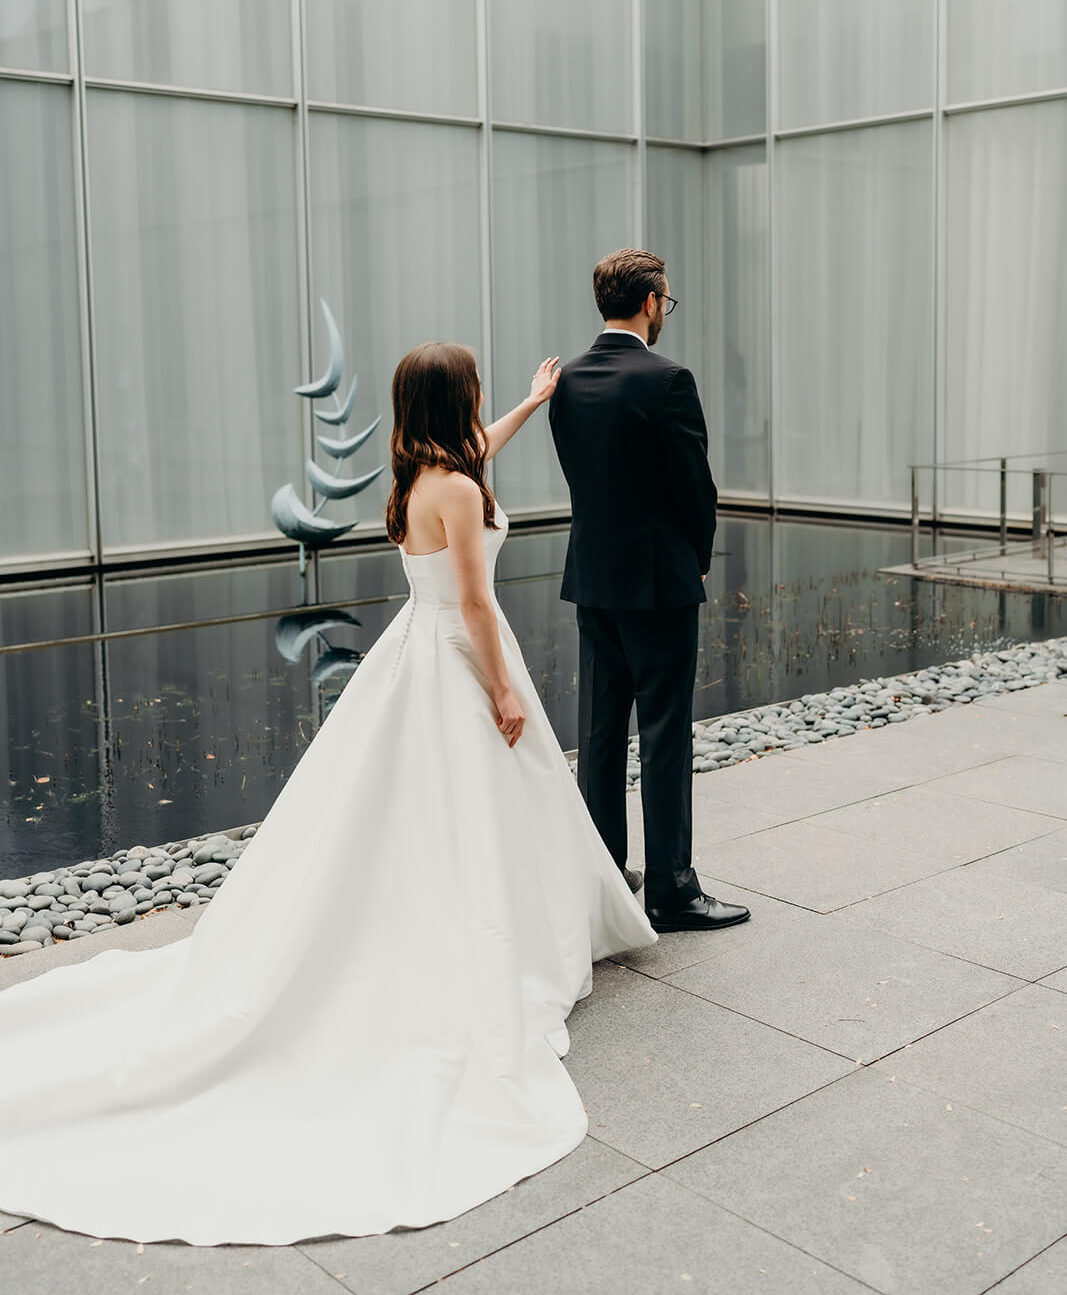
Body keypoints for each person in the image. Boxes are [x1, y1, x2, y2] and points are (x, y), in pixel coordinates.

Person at [0, 343, 655, 1247]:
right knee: (470, 809)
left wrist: (531, 403)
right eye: (475, 393)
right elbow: (473, 603)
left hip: (415, 652)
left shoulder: (420, 474)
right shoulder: (456, 491)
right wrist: (504, 689)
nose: (481, 408)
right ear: (453, 399)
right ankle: (496, 935)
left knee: (425, 811)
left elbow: (478, 454)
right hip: (459, 654)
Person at [548, 248, 750, 935]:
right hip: (660, 581)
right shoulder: (668, 380)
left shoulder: (566, 381)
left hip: (593, 577)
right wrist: (698, 558)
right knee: (664, 735)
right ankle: (670, 889)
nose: (665, 310)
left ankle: (606, 879)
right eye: (666, 300)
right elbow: (694, 485)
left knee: (600, 733)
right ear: (650, 301)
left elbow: (583, 477)